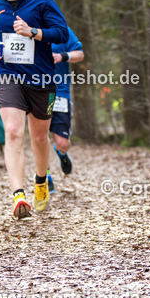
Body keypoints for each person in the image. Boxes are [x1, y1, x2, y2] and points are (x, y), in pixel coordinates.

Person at [0, 0, 69, 218]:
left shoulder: (42, 0)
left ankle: (41, 181)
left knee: (40, 137)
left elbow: (62, 34)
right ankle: (18, 195)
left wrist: (34, 32)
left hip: (42, 78)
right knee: (12, 132)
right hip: (9, 76)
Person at [47, 27, 84, 189]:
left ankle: (61, 153)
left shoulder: (62, 30)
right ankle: (44, 177)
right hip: (35, 91)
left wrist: (63, 56)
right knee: (40, 138)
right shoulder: (26, 30)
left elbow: (79, 54)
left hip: (60, 93)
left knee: (62, 142)